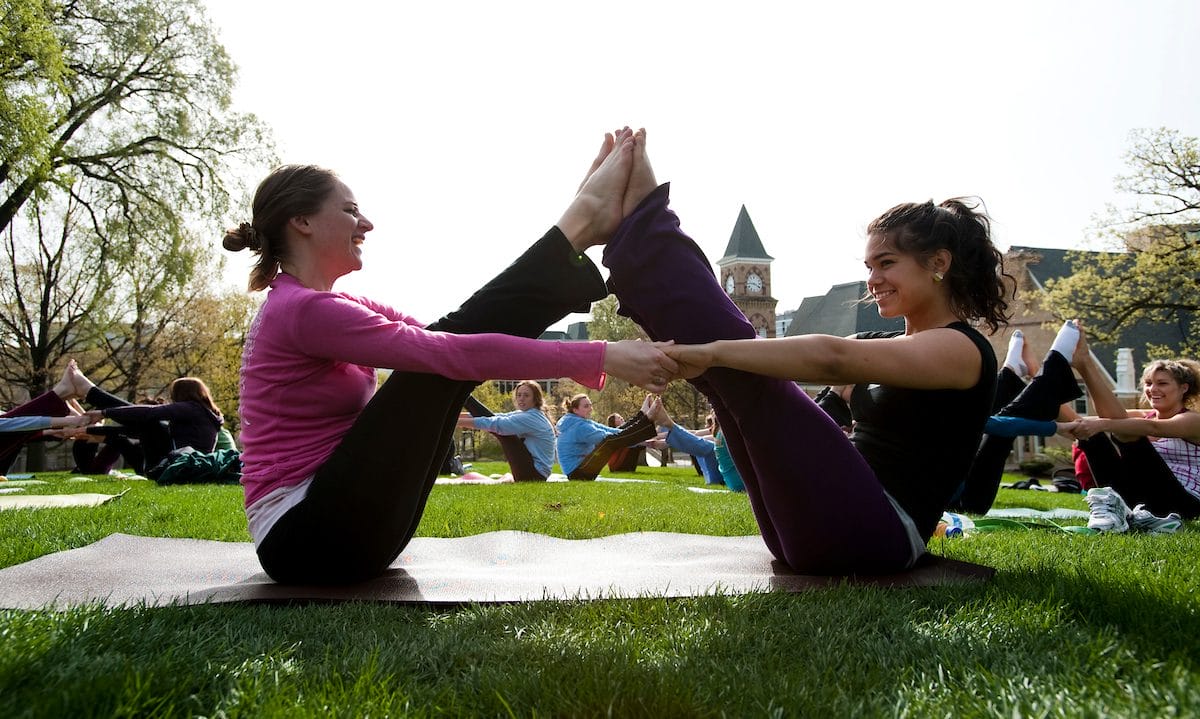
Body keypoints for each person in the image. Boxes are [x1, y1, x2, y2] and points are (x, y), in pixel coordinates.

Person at [223, 132, 675, 584]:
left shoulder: (324, 307)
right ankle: (575, 229)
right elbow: (452, 351)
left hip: (339, 528)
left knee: (445, 353)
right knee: (440, 363)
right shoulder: (303, 311)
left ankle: (576, 230)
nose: (367, 223)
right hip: (307, 539)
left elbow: (455, 333)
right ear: (301, 221)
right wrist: (599, 354)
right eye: (350, 210)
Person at [609, 129, 1011, 574]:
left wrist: (715, 351)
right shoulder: (883, 348)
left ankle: (644, 233)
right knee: (728, 383)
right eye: (869, 266)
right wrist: (711, 362)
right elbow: (824, 404)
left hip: (879, 535)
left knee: (740, 366)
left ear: (938, 264)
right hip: (820, 527)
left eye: (887, 263)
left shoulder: (962, 350)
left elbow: (830, 358)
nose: (873, 279)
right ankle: (639, 237)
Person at [1063, 327, 1199, 530]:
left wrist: (1101, 424)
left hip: (1185, 503)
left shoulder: (1193, 420)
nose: (1153, 389)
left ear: (1183, 388)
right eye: (1148, 383)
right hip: (1141, 498)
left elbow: (1153, 427)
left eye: (1162, 383)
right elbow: (1096, 420)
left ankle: (1085, 365)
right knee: (1093, 436)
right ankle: (1083, 365)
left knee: (1127, 431)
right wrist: (1054, 413)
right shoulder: (1141, 417)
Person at [68, 370, 226, 475]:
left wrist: (104, 412)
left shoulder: (192, 409)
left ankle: (90, 392)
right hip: (179, 466)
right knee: (150, 425)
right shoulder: (203, 414)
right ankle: (89, 391)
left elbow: (150, 412)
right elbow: (134, 431)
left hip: (178, 467)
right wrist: (91, 430)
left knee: (151, 422)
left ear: (181, 395)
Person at [458, 381, 556, 481]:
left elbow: (495, 423)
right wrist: (452, 417)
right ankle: (464, 395)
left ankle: (465, 395)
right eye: (519, 395)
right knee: (500, 425)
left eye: (526, 395)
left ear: (535, 399)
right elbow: (495, 416)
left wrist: (456, 422)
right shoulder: (528, 414)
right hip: (533, 473)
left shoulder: (531, 418)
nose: (521, 398)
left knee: (503, 430)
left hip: (534, 475)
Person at [555, 393, 656, 478]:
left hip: (580, 469)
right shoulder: (579, 427)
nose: (590, 409)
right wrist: (641, 440)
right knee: (609, 441)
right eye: (586, 406)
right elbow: (607, 438)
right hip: (577, 473)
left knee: (613, 438)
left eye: (590, 405)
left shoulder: (580, 421)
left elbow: (613, 431)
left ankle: (643, 416)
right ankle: (646, 420)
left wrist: (640, 418)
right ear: (575, 410)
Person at [644, 396, 723, 486]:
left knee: (708, 447)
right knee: (703, 444)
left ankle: (667, 424)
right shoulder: (716, 429)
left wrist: (668, 442)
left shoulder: (727, 430)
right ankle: (640, 436)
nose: (712, 411)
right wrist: (657, 436)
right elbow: (696, 433)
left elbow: (708, 439)